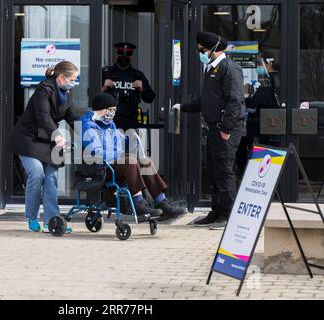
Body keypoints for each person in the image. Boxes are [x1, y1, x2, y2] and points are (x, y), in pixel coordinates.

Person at [175, 32, 245, 230]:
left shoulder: (229, 68)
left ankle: (228, 214)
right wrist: (183, 107)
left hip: (225, 130)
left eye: (202, 50)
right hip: (215, 129)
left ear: (213, 49)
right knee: (215, 172)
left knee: (224, 172)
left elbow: (235, 100)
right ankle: (216, 212)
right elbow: (206, 100)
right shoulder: (211, 68)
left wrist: (226, 128)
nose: (200, 53)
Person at [81, 92, 186, 222]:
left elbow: (118, 145)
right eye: (111, 110)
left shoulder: (110, 125)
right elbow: (96, 152)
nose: (113, 113)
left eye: (114, 110)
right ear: (102, 109)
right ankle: (139, 204)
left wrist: (127, 143)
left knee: (144, 161)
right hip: (99, 168)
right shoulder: (89, 127)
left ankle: (162, 203)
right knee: (130, 161)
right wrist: (118, 155)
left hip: (113, 164)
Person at [8, 61, 79, 234]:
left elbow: (72, 118)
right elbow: (43, 116)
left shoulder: (67, 93)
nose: (73, 83)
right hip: (28, 139)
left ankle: (51, 222)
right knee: (37, 173)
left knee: (51, 177)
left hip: (48, 140)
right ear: (61, 77)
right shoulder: (43, 90)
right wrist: (57, 134)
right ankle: (32, 217)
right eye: (72, 79)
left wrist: (88, 133)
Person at [236, 53, 281, 174]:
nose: (257, 67)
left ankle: (248, 174)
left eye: (260, 64)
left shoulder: (267, 79)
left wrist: (246, 96)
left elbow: (255, 102)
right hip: (270, 123)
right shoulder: (279, 78)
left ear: (269, 63)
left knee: (249, 149)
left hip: (261, 123)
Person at [101, 42, 156, 132]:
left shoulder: (137, 75)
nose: (124, 58)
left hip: (131, 123)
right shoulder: (107, 73)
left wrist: (142, 88)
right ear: (117, 55)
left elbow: (150, 98)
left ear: (130, 57)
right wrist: (103, 87)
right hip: (109, 123)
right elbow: (91, 95)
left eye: (127, 56)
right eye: (121, 55)